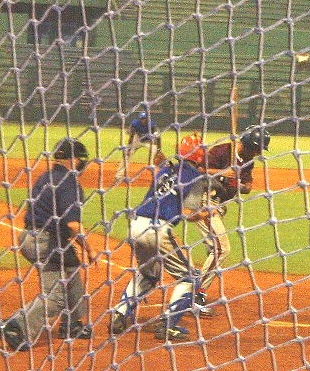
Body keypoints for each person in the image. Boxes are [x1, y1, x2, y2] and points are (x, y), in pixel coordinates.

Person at [0, 138, 98, 351]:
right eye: (80, 160)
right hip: (45, 242)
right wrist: (90, 248)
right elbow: (73, 224)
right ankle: (15, 326)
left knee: (70, 267)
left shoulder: (47, 177)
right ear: (73, 160)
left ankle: (73, 324)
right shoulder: (69, 183)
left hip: (32, 238)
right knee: (55, 298)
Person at [109, 133, 212, 341]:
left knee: (148, 274)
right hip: (158, 229)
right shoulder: (195, 177)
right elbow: (188, 212)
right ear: (200, 157)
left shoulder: (166, 170)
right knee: (191, 278)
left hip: (136, 225)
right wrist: (207, 213)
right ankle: (168, 324)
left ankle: (119, 314)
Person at [194, 125, 271, 315]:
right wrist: (221, 173)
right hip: (203, 201)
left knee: (214, 250)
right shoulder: (222, 151)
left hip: (217, 206)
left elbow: (248, 186)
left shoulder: (247, 160)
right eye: (256, 149)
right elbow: (198, 169)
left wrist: (239, 184)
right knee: (222, 249)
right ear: (246, 144)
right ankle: (196, 298)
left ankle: (191, 285)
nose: (258, 153)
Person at [114, 111, 162, 183]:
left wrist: (158, 149)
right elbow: (132, 136)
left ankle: (158, 176)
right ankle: (118, 176)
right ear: (139, 119)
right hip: (137, 139)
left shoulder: (152, 125)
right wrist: (129, 149)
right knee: (126, 155)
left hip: (149, 141)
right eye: (141, 119)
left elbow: (158, 137)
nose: (143, 120)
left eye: (144, 118)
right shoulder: (135, 124)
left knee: (156, 156)